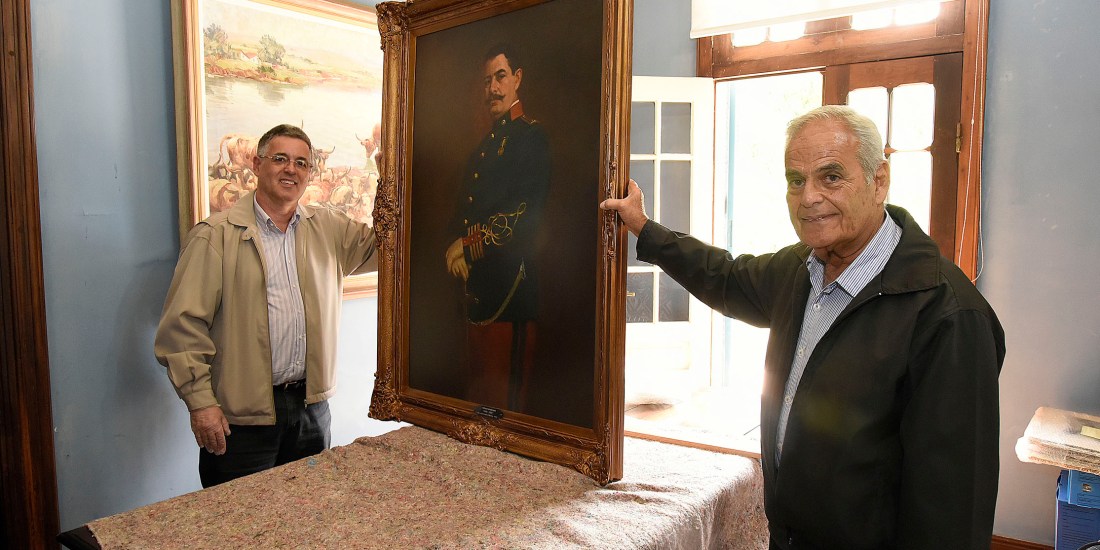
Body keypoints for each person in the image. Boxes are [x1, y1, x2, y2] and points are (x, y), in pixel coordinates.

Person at [601, 105, 1005, 549]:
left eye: (830, 177)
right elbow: (725, 277)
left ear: (879, 181)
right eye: (796, 180)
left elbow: (953, 511)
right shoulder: (801, 268)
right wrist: (644, 228)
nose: (808, 197)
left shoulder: (949, 316)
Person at [155, 124, 376, 488]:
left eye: (301, 163)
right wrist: (201, 404)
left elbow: (388, 247)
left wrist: (393, 173)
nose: (291, 169)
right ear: (257, 165)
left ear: (310, 172)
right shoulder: (215, 236)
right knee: (237, 519)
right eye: (280, 159)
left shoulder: (330, 228)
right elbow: (181, 330)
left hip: (310, 411)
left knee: (310, 513)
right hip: (241, 423)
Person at [445, 43, 551, 412]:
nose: (492, 88)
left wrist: (467, 245)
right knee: (480, 402)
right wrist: (454, 244)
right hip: (478, 290)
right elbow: (463, 211)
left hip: (512, 291)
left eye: (501, 77)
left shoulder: (531, 138)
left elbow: (522, 215)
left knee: (505, 409)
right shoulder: (482, 150)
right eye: (487, 80)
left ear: (517, 79)